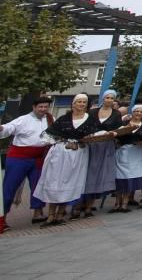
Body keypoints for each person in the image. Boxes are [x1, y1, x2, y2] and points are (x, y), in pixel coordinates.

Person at [33, 93, 97, 226]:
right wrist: (60, 140)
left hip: (78, 154)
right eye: (78, 102)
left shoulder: (90, 120)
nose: (81, 104)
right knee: (54, 181)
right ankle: (51, 215)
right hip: (60, 154)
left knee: (69, 182)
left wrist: (87, 139)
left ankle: (60, 214)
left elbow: (94, 136)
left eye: (84, 102)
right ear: (73, 104)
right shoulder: (63, 119)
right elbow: (47, 135)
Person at [0, 95, 54, 226]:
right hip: (18, 159)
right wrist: (1, 128)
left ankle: (37, 213)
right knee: (9, 187)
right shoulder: (23, 120)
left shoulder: (51, 119)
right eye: (40, 107)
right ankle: (3, 218)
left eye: (45, 107)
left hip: (38, 158)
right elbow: (9, 128)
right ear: (34, 107)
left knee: (38, 186)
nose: (43, 109)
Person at [80, 89, 123, 217]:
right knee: (86, 172)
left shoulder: (116, 114)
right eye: (107, 98)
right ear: (103, 99)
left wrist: (114, 134)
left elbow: (118, 129)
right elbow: (85, 126)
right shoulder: (92, 112)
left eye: (112, 98)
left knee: (98, 174)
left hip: (105, 146)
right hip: (91, 145)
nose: (109, 100)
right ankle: (78, 205)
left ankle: (89, 206)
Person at [111, 104, 142, 213]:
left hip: (137, 154)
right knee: (120, 178)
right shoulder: (124, 123)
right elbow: (116, 135)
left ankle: (125, 203)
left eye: (141, 112)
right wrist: (125, 131)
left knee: (130, 180)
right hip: (124, 153)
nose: (139, 114)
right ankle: (117, 203)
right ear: (132, 112)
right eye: (137, 111)